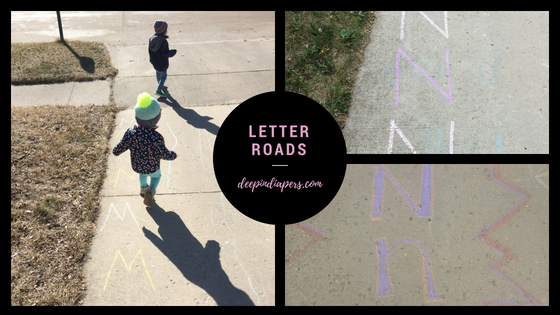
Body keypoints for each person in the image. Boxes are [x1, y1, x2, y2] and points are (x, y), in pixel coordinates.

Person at [113, 92, 178, 206]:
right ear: (156, 119)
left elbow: (122, 145)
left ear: (136, 116)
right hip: (153, 166)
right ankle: (151, 191)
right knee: (156, 177)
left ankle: (143, 189)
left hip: (137, 164)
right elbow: (163, 153)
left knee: (142, 174)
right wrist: (172, 155)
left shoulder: (130, 133)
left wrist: (116, 151)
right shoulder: (156, 137)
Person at [149, 20, 177, 98]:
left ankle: (159, 83)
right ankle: (159, 89)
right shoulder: (163, 42)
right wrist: (172, 52)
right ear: (164, 31)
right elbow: (165, 53)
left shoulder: (152, 39)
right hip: (162, 63)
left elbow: (150, 50)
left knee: (158, 72)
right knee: (164, 76)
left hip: (154, 61)